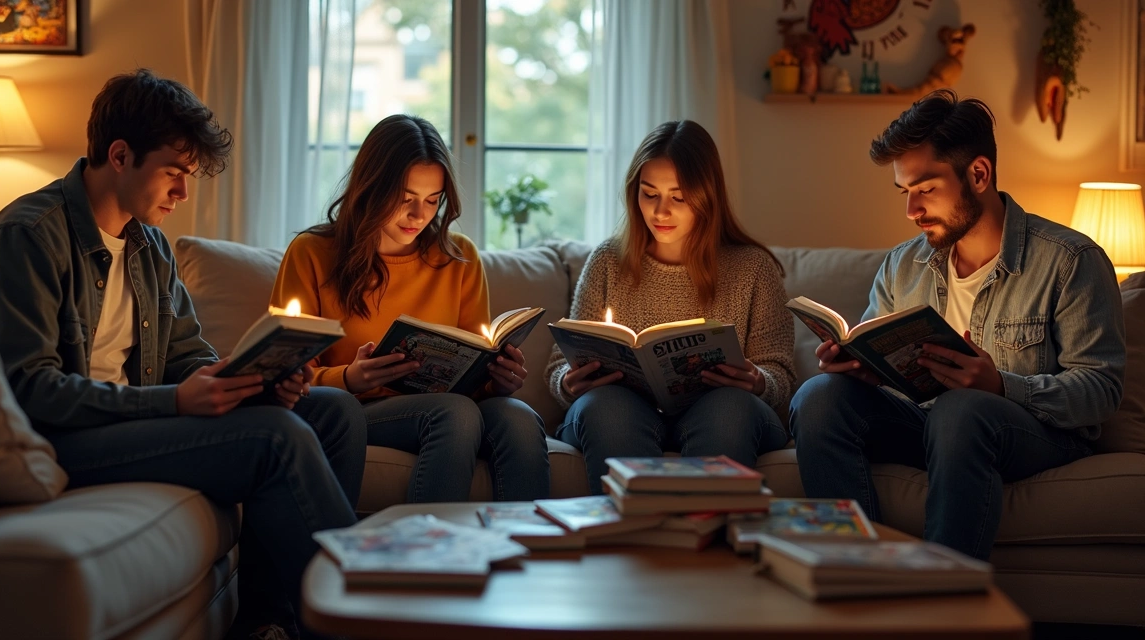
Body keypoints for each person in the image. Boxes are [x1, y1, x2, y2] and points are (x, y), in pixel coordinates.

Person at [0, 69, 366, 640]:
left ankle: (269, 624)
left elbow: (187, 354)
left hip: (130, 423)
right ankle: (368, 615)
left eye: (189, 175)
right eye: (174, 172)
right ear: (120, 155)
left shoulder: (149, 245)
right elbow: (29, 391)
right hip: (62, 438)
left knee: (332, 413)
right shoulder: (29, 235)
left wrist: (254, 378)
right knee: (276, 438)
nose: (183, 192)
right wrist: (175, 401)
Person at [789, 89, 1125, 561]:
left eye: (925, 189)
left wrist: (1003, 387)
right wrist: (863, 369)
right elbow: (878, 357)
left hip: (1032, 433)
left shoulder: (1071, 260)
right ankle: (857, 571)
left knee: (961, 410)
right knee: (817, 397)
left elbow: (1101, 391)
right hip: (928, 424)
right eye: (905, 192)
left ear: (979, 174)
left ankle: (943, 601)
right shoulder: (902, 266)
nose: (911, 211)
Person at [271, 114, 550, 503]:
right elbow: (281, 374)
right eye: (405, 199)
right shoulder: (313, 253)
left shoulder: (460, 256)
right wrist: (350, 377)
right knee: (454, 413)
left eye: (432, 200)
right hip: (356, 410)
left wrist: (498, 379)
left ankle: (528, 555)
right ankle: (427, 556)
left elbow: (476, 366)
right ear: (370, 188)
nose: (420, 216)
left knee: (518, 418)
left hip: (451, 405)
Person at [544, 120, 796, 495]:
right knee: (606, 408)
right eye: (649, 194)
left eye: (678, 198)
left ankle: (708, 540)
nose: (660, 212)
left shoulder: (752, 268)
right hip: (624, 409)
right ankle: (627, 543)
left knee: (729, 410)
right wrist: (567, 381)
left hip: (722, 409)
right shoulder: (609, 261)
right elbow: (558, 364)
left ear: (707, 196)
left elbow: (781, 374)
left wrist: (759, 380)